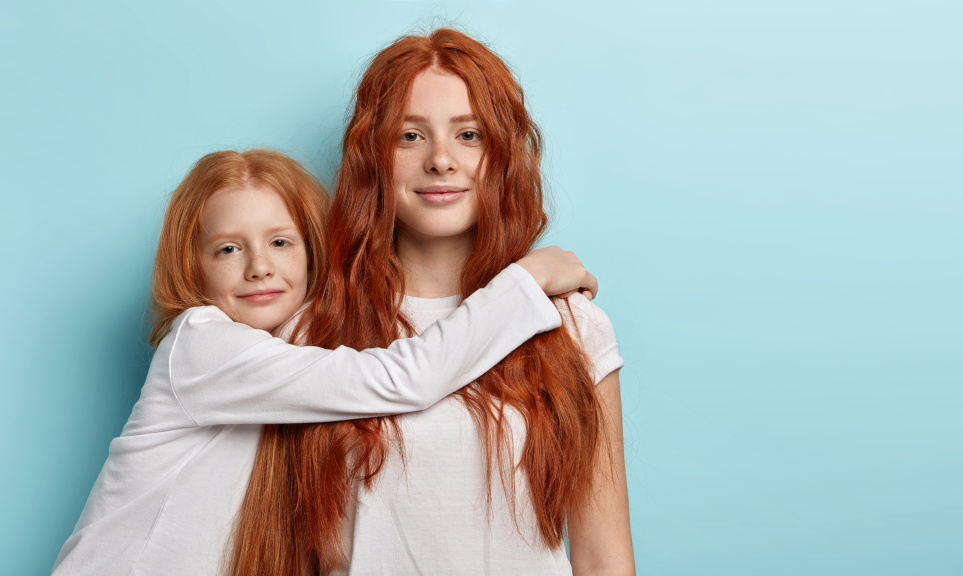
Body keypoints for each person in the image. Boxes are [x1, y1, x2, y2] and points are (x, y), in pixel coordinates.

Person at [51, 149, 598, 576]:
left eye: (280, 242)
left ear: (313, 248)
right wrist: (524, 283)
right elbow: (402, 378)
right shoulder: (200, 344)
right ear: (192, 268)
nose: (259, 267)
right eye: (228, 249)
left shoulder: (294, 349)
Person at [234, 30, 635, 576]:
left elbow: (605, 557)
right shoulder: (307, 334)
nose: (441, 160)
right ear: (373, 157)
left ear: (501, 155)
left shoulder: (574, 328)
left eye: (469, 135)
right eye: (410, 136)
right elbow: (285, 553)